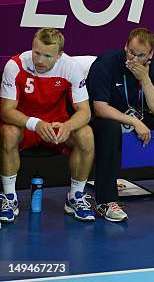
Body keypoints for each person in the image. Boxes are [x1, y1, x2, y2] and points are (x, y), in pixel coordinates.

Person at [87, 28, 154, 221]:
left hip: (136, 117)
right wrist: (134, 122)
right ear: (125, 46)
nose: (133, 58)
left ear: (150, 54)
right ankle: (105, 202)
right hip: (107, 119)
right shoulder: (106, 63)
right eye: (130, 52)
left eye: (140, 55)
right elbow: (99, 108)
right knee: (110, 129)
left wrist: (145, 79)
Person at [0, 28, 95, 222]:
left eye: (47, 55)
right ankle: (9, 198)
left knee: (86, 135)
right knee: (8, 133)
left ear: (59, 55)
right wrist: (35, 124)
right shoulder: (15, 65)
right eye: (36, 53)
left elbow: (85, 112)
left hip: (57, 128)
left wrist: (67, 126)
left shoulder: (71, 67)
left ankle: (75, 197)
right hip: (25, 126)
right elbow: (6, 111)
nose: (40, 60)